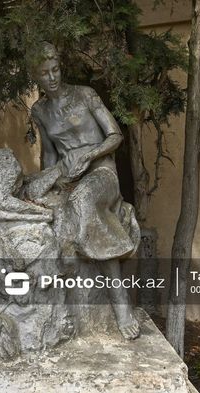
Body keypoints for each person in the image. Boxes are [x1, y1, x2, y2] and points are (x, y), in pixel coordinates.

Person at [29, 42, 140, 339]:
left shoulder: (85, 95)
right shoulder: (39, 110)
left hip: (101, 171)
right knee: (34, 204)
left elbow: (115, 135)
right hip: (67, 176)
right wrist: (48, 181)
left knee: (83, 200)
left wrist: (88, 155)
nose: (52, 77)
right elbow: (50, 155)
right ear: (36, 77)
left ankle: (120, 304)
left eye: (55, 70)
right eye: (44, 73)